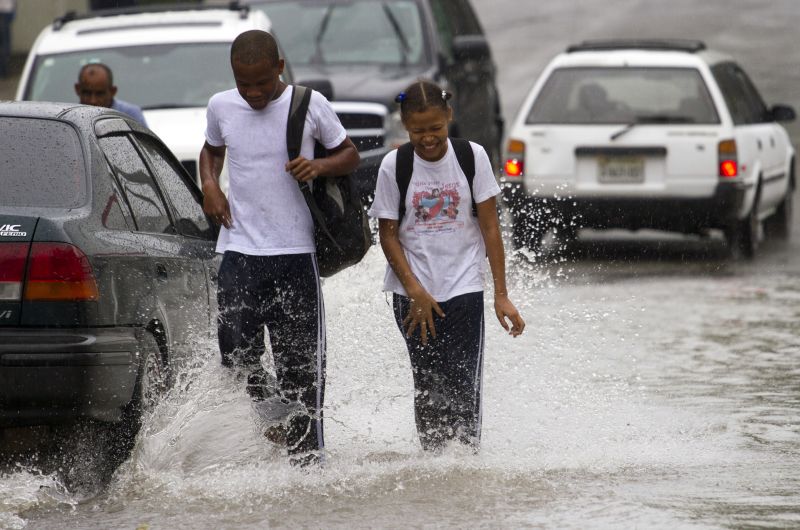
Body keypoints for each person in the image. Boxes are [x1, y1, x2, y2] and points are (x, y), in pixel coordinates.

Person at [199, 29, 359, 466]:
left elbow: (349, 155)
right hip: (239, 251)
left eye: (261, 83)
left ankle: (308, 464)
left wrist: (319, 163)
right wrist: (210, 186)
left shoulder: (310, 106)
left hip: (295, 254)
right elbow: (211, 152)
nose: (251, 93)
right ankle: (272, 415)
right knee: (236, 356)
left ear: (279, 68)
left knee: (302, 368)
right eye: (242, 83)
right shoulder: (220, 105)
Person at [369, 80, 525, 453]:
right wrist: (416, 291)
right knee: (428, 385)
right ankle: (434, 466)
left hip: (465, 287)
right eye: (418, 131)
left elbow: (490, 227)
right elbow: (387, 236)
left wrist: (500, 295)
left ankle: (465, 464)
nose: (428, 139)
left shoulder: (472, 157)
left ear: (449, 118)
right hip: (413, 295)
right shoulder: (395, 165)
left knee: (464, 384)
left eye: (435, 129)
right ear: (406, 127)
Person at [74, 63, 148, 127]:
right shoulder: (70, 118)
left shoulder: (130, 115)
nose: (93, 101)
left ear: (113, 91)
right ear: (77, 89)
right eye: (87, 93)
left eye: (100, 94)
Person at [0, 0, 15, 79]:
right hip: (7, 11)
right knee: (5, 43)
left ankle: (3, 70)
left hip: (6, 11)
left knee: (4, 43)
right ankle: (3, 70)